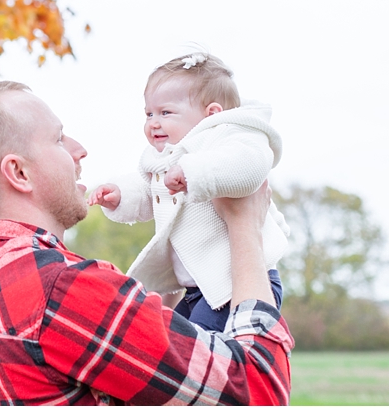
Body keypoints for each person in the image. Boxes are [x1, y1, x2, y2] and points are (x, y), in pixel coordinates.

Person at [0, 80, 293, 405]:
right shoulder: (66, 290)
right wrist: (244, 226)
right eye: (58, 139)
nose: (79, 149)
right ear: (19, 173)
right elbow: (259, 390)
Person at [89, 46, 290, 332]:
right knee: (169, 341)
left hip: (237, 282)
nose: (153, 122)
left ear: (211, 114)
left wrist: (195, 173)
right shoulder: (166, 159)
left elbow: (249, 166)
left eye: (166, 112)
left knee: (196, 353)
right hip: (198, 288)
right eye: (148, 113)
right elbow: (151, 188)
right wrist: (119, 195)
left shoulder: (233, 136)